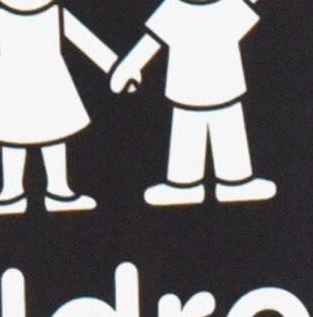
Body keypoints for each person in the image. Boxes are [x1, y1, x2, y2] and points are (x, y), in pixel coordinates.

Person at [0, 0, 122, 215]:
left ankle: (59, 190)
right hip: (12, 87)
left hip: (49, 85)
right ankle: (12, 192)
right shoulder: (2, 16)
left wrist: (117, 68)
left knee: (55, 136)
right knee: (11, 138)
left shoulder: (55, 14)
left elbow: (86, 41)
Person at [109, 0, 272, 206]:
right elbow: (150, 43)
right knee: (188, 137)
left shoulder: (228, 6)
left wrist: (126, 69)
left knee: (228, 132)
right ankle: (184, 185)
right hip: (186, 91)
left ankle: (236, 181)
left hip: (225, 88)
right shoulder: (174, 9)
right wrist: (128, 68)